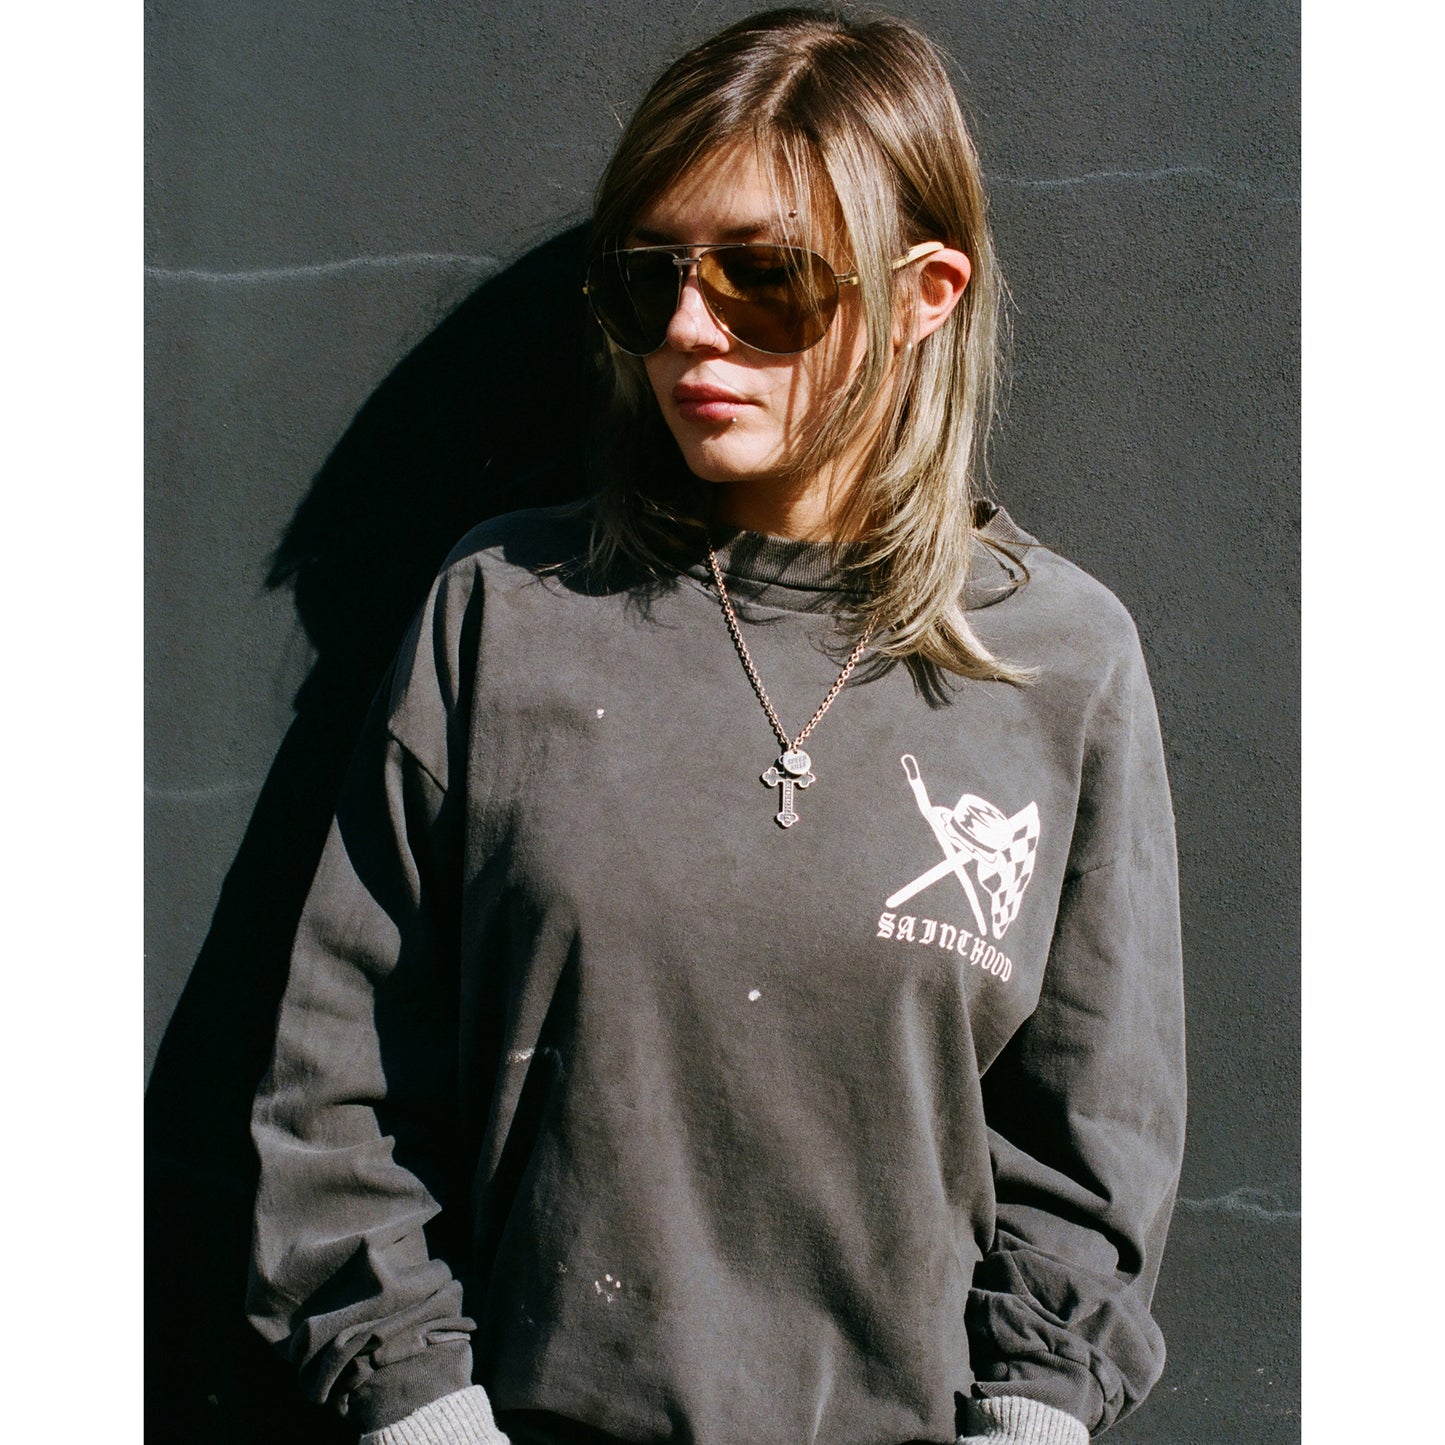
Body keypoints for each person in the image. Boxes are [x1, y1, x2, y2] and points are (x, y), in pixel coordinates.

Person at [246, 8, 1185, 1445]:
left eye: (768, 276)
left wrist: (1034, 1416)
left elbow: (1093, 1141)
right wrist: (420, 1413)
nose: (692, 328)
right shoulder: (507, 612)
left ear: (926, 292)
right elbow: (339, 1086)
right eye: (651, 278)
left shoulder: (1056, 659)